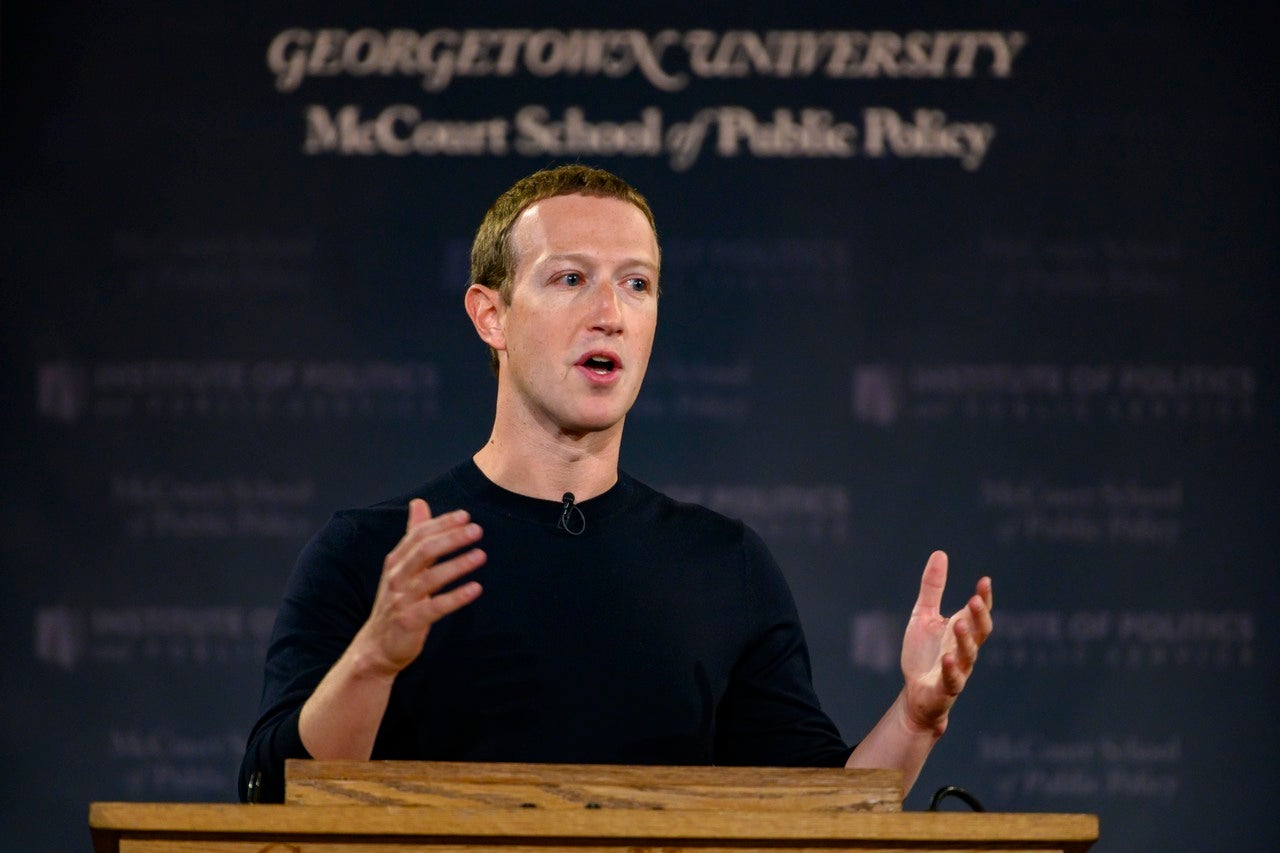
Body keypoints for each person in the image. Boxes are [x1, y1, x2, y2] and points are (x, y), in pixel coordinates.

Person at [239, 164, 993, 804]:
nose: (611, 315)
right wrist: (373, 658)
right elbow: (270, 797)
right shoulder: (374, 555)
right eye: (571, 278)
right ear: (490, 315)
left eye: (637, 284)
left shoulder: (723, 565)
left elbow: (822, 811)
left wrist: (917, 718)